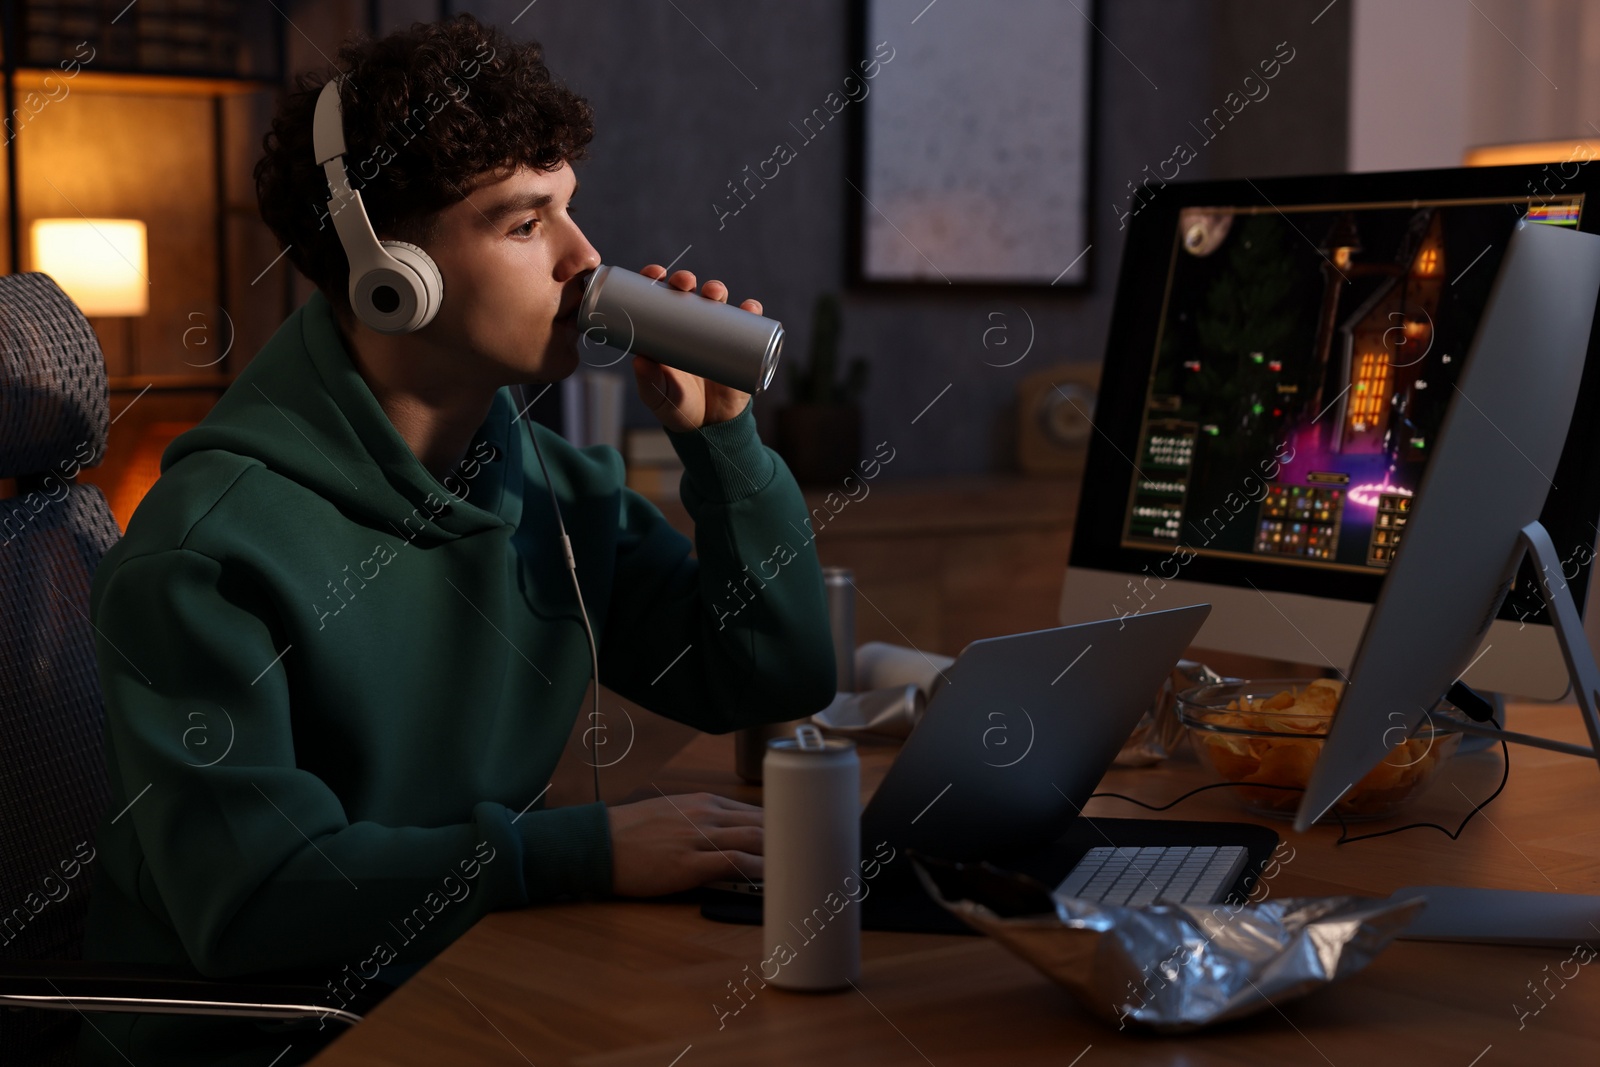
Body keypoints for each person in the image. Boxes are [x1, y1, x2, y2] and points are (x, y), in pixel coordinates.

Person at [79, 15, 835, 1066]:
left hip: (456, 979)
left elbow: (767, 675)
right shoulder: (205, 554)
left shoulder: (551, 490)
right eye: (524, 224)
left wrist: (726, 448)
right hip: (268, 1037)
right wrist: (572, 853)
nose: (585, 260)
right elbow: (250, 897)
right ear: (391, 275)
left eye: (569, 208)